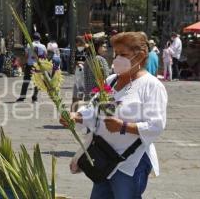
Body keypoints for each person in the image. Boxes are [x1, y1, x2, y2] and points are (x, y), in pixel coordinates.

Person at [61, 32, 167, 199]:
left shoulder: (151, 86)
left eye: (123, 54)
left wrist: (123, 126)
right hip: (104, 158)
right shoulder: (111, 81)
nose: (117, 59)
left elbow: (156, 125)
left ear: (140, 56)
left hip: (130, 162)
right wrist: (76, 117)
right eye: (116, 54)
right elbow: (94, 111)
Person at [16, 32, 47, 103]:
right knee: (37, 82)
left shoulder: (29, 45)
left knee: (26, 81)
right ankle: (34, 98)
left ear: (33, 38)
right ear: (40, 38)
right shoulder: (43, 46)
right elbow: (45, 56)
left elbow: (26, 56)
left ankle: (22, 97)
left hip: (29, 65)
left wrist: (23, 63)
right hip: (38, 66)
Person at [71, 36, 89, 112]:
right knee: (75, 97)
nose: (77, 45)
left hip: (87, 77)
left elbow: (90, 61)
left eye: (78, 43)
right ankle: (72, 114)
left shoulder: (88, 49)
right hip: (78, 75)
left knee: (88, 98)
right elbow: (74, 62)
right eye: (76, 43)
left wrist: (83, 63)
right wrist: (76, 64)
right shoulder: (77, 50)